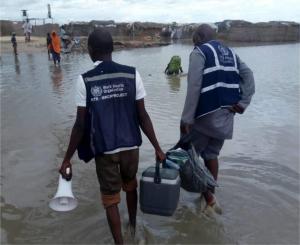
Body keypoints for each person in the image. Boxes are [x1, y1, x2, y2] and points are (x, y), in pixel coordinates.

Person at [59, 28, 165, 244]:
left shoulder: (85, 80)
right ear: (112, 48)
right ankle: (133, 226)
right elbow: (143, 116)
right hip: (130, 147)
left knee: (110, 199)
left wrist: (67, 158)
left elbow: (80, 125)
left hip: (105, 149)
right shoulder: (132, 74)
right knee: (130, 185)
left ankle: (120, 243)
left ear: (90, 50)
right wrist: (158, 147)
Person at [180, 24, 255, 215]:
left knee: (189, 155)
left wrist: (186, 119)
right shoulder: (229, 52)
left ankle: (209, 199)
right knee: (211, 155)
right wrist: (243, 102)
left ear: (200, 37)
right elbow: (248, 75)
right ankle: (209, 196)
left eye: (195, 39)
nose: (193, 43)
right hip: (226, 117)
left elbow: (194, 86)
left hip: (205, 116)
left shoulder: (200, 52)